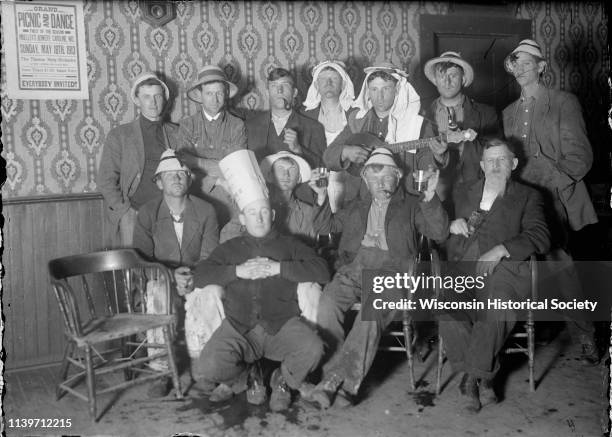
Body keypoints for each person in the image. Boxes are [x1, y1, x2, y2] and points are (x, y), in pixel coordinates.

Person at [177, 150, 330, 412]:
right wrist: (238, 272)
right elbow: (201, 274)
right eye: (252, 213)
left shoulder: (290, 245)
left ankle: (283, 378)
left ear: (272, 215)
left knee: (314, 348)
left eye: (263, 212)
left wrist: (278, 268)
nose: (258, 218)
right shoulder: (231, 247)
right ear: (242, 218)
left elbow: (322, 271)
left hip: (281, 324)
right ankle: (248, 376)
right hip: (240, 326)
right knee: (208, 365)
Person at [309, 148, 448, 408]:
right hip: (353, 270)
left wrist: (430, 197)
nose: (381, 185)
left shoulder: (411, 206)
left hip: (393, 273)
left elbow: (439, 233)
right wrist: (320, 196)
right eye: (374, 179)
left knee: (370, 314)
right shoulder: (356, 207)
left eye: (387, 178)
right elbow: (324, 227)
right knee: (327, 304)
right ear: (365, 180)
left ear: (398, 177)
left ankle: (340, 380)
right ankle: (332, 376)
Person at [502, 39, 599, 365]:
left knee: (559, 264)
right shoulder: (509, 113)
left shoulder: (563, 102)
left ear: (542, 67)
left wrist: (555, 187)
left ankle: (586, 335)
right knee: (514, 258)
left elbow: (581, 155)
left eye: (528, 62)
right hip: (521, 197)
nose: (521, 67)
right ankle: (514, 332)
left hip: (554, 197)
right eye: (516, 62)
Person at [439, 138, 550, 413]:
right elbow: (437, 227)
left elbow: (541, 236)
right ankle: (486, 377)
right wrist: (450, 225)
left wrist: (502, 249)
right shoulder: (463, 191)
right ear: (481, 165)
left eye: (502, 160)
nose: (496, 165)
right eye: (490, 160)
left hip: (506, 271)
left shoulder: (528, 196)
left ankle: (470, 380)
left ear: (513, 164)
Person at [132, 149, 222, 398]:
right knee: (157, 292)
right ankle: (161, 370)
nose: (177, 178)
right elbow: (141, 260)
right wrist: (171, 276)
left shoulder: (206, 211)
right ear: (159, 182)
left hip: (197, 276)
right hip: (161, 278)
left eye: (182, 174)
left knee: (211, 292)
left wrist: (193, 276)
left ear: (190, 179)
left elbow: (210, 257)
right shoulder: (148, 213)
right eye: (169, 175)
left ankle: (203, 369)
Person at [322, 62, 469, 197]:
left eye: (386, 89)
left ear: (397, 90)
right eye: (374, 89)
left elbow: (427, 169)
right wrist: (345, 151)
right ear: (368, 92)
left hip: (405, 200)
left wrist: (439, 156)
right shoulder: (357, 121)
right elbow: (328, 158)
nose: (379, 96)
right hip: (364, 201)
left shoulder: (418, 124)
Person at [97, 73, 179, 247]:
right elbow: (105, 179)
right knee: (135, 268)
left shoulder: (176, 133)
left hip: (170, 213)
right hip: (134, 212)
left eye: (158, 96)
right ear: (136, 100)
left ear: (164, 99)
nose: (153, 102)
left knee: (169, 267)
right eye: (146, 97)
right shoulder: (120, 135)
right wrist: (125, 211)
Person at [422, 51, 501, 212]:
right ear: (434, 80)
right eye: (442, 75)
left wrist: (470, 140)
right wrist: (439, 156)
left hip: (475, 197)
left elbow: (497, 158)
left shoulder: (486, 113)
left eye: (454, 75)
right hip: (436, 198)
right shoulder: (420, 115)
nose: (447, 81)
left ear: (463, 79)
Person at [176, 65, 247, 230]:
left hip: (230, 202)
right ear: (200, 95)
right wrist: (219, 178)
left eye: (219, 93)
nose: (215, 100)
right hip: (196, 200)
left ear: (226, 94)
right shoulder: (188, 125)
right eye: (209, 94)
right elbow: (184, 164)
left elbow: (235, 169)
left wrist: (197, 160)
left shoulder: (237, 125)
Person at [303, 60, 357, 212]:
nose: (328, 82)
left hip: (350, 184)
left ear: (343, 84)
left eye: (334, 78)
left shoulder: (357, 114)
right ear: (316, 85)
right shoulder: (304, 116)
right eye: (323, 79)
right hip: (317, 185)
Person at [246, 67, 327, 168]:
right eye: (274, 86)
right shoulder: (249, 127)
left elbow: (323, 169)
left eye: (285, 85)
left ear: (294, 93)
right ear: (267, 93)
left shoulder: (314, 128)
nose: (279, 90)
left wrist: (299, 150)